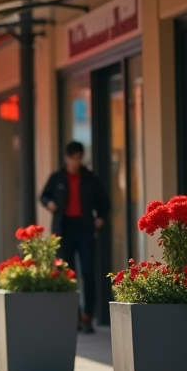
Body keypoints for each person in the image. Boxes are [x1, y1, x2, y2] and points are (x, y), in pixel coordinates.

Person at [39, 140, 110, 333]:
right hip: (64, 228)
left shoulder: (90, 178)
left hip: (85, 228)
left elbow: (104, 202)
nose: (75, 162)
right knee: (67, 273)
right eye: (72, 158)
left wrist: (100, 218)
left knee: (88, 272)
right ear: (66, 158)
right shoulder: (57, 177)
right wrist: (49, 204)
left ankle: (88, 316)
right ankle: (73, 315)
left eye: (79, 158)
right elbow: (43, 196)